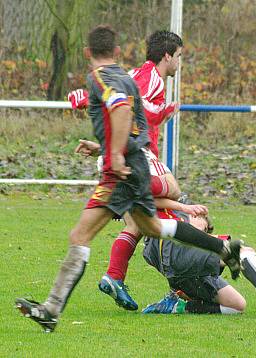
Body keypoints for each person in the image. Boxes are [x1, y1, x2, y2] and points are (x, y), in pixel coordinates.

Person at [15, 25, 242, 333]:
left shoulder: (100, 78)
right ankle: (222, 248)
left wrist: (116, 155)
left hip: (121, 172)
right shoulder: (127, 76)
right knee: (153, 227)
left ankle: (51, 310)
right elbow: (137, 123)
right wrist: (106, 146)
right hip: (137, 164)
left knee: (80, 237)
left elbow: (121, 111)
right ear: (118, 52)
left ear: (87, 54)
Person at [70, 30, 199, 311]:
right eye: (178, 57)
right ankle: (182, 284)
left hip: (128, 155)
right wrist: (162, 112)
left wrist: (102, 144)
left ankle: (115, 277)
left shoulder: (143, 74)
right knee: (173, 191)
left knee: (137, 224)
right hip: (136, 158)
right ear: (167, 55)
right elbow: (127, 103)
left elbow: (118, 99)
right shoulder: (150, 76)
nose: (179, 63)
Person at [140, 208, 256, 315]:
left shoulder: (163, 220)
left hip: (180, 273)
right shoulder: (180, 215)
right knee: (241, 249)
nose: (204, 232)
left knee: (237, 306)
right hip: (176, 253)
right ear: (194, 215)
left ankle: (175, 306)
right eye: (203, 227)